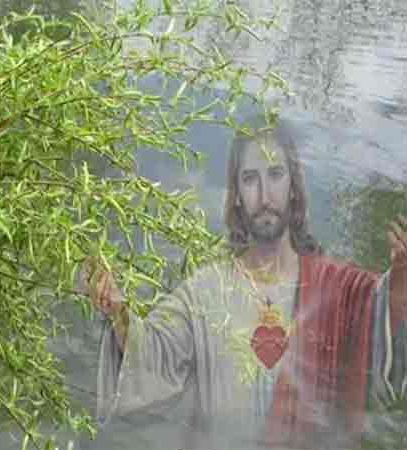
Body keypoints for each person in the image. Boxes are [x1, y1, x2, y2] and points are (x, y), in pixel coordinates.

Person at [86, 118, 407, 449]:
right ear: (237, 194)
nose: (265, 196)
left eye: (276, 175)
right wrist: (118, 312)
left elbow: (383, 326)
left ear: (293, 187)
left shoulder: (336, 289)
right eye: (250, 179)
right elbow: (152, 355)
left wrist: (401, 282)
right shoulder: (206, 291)